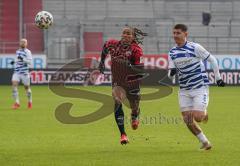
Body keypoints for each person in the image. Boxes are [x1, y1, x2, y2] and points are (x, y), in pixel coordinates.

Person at [168, 24, 225, 150]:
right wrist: (171, 74)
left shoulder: (195, 47)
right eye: (174, 33)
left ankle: (203, 113)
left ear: (185, 34)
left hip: (200, 87)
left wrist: (218, 78)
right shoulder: (172, 52)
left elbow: (213, 60)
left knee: (198, 118)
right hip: (184, 90)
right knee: (187, 119)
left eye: (178, 33)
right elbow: (171, 71)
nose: (175, 35)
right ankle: (205, 142)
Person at [98, 26, 147, 145]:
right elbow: (105, 47)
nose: (125, 35)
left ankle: (135, 114)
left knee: (133, 106)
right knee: (117, 101)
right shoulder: (113, 44)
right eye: (124, 33)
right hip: (117, 82)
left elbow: (140, 70)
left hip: (132, 82)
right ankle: (123, 134)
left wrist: (129, 67)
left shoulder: (136, 50)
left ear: (133, 37)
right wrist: (102, 62)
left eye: (129, 34)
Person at [11, 38, 33, 109]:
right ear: (20, 43)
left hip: (25, 73)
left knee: (27, 89)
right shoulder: (17, 51)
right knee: (14, 86)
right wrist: (14, 61)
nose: (23, 43)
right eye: (22, 42)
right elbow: (17, 59)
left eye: (24, 42)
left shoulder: (28, 52)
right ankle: (17, 103)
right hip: (17, 72)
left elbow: (30, 62)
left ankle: (30, 101)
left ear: (26, 44)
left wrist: (22, 59)